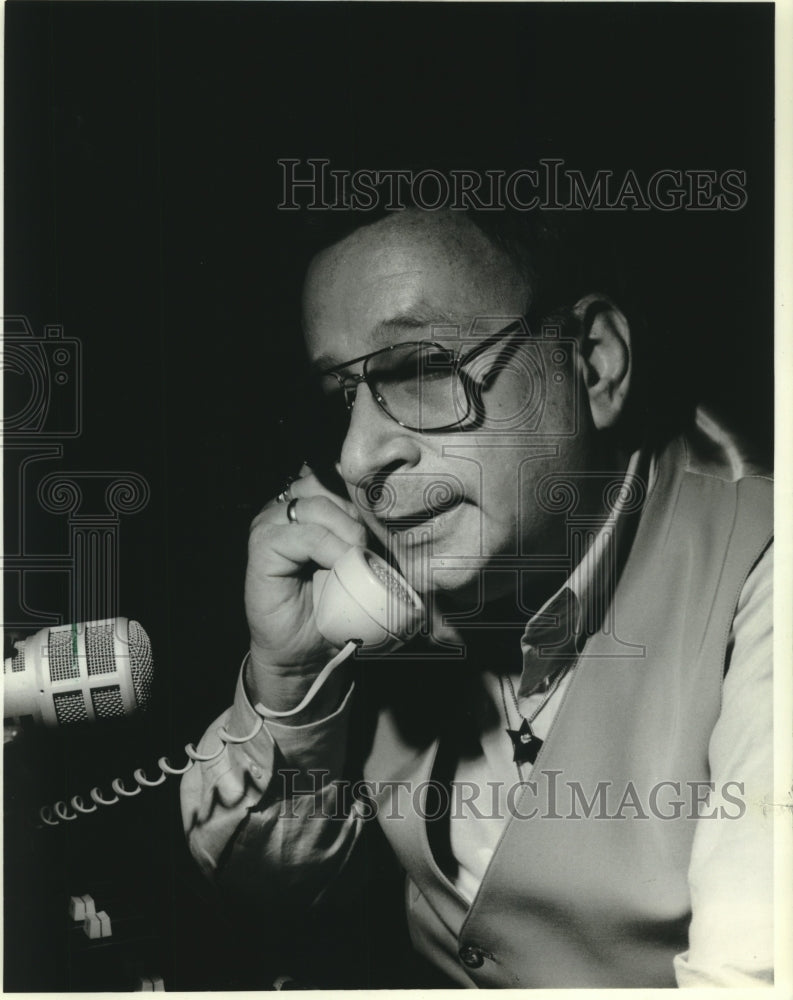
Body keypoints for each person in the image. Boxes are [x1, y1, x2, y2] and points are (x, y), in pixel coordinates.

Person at [180, 206, 773, 988]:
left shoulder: (762, 565)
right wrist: (289, 681)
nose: (358, 460)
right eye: (339, 400)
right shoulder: (396, 601)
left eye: (420, 368)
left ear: (591, 364)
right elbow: (271, 895)